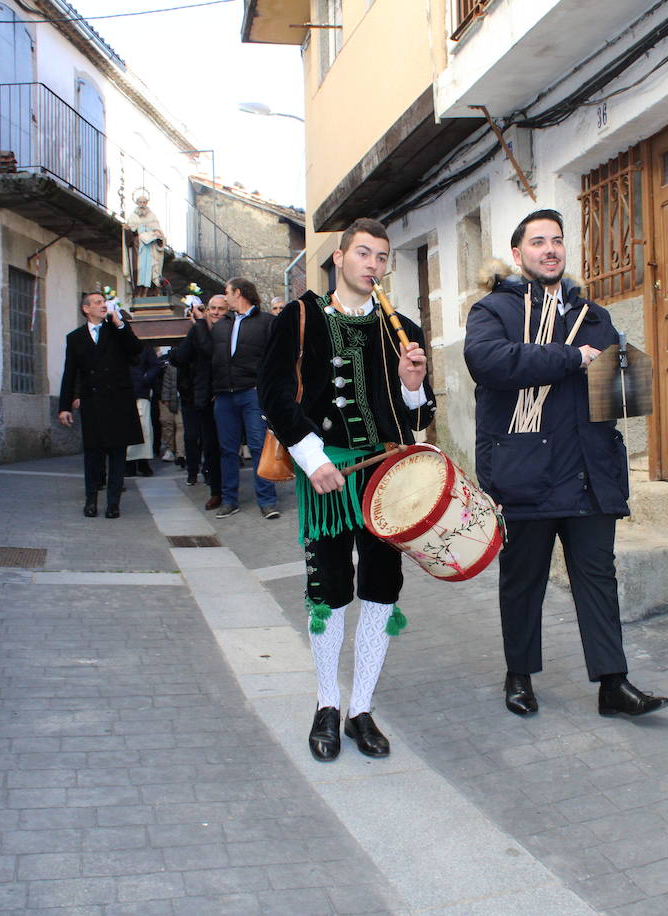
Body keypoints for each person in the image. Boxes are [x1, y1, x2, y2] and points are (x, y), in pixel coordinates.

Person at [464, 209, 668, 719]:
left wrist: (629, 376)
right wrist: (569, 358)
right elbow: (488, 362)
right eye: (538, 242)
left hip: (588, 474)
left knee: (598, 578)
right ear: (518, 255)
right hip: (524, 472)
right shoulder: (494, 310)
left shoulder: (593, 315)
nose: (550, 249)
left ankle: (613, 683)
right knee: (523, 580)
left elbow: (613, 392)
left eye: (557, 241)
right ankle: (519, 675)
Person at [258, 217, 434, 761]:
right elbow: (274, 393)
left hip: (387, 478)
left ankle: (362, 708)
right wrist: (311, 459)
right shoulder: (301, 316)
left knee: (382, 588)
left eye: (382, 257)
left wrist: (412, 386)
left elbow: (421, 416)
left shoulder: (401, 327)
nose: (373, 265)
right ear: (339, 258)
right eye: (363, 253)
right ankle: (326, 704)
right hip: (327, 479)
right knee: (330, 591)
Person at [57, 291, 143, 519]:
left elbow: (136, 352)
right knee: (93, 455)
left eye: (104, 302)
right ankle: (91, 500)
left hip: (118, 401)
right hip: (92, 403)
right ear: (86, 309)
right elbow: (70, 373)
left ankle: (113, 503)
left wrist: (121, 325)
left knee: (117, 455)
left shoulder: (117, 331)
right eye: (97, 302)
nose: (103, 305)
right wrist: (64, 406)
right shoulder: (75, 338)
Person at [207, 278, 278, 519]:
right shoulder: (220, 326)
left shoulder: (267, 322)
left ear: (238, 293)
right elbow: (211, 361)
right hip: (224, 396)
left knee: (259, 447)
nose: (224, 297)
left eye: (227, 293)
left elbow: (277, 360)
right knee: (227, 450)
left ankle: (267, 501)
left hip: (252, 393)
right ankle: (229, 500)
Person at [170, 295, 224, 508]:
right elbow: (180, 357)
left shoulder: (227, 328)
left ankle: (224, 487)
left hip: (223, 394)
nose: (215, 313)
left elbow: (213, 352)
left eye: (220, 308)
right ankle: (209, 482)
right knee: (201, 440)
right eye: (211, 308)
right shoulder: (197, 331)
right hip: (198, 396)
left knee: (226, 447)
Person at [125, 343, 163, 477]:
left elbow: (155, 365)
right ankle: (128, 464)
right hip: (123, 394)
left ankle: (143, 462)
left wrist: (145, 378)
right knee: (126, 430)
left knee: (144, 429)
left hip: (140, 392)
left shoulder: (144, 346)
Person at [157, 350, 184, 463]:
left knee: (180, 425)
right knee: (166, 423)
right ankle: (170, 449)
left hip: (181, 396)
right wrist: (164, 397)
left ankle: (180, 453)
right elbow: (164, 381)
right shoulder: (164, 360)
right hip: (167, 396)